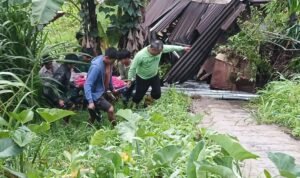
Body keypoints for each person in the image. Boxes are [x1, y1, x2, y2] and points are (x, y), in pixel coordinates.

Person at [127, 40, 191, 107]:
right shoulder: (140, 55)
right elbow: (132, 68)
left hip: (154, 76)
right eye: (158, 52)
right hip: (142, 78)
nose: (160, 53)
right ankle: (133, 106)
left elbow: (171, 48)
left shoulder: (159, 49)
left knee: (157, 94)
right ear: (153, 49)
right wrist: (129, 80)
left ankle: (147, 102)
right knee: (138, 96)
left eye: (161, 51)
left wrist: (183, 48)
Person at [84, 47, 118, 126]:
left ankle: (88, 129)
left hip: (102, 91)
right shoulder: (96, 67)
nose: (113, 63)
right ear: (106, 57)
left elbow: (109, 77)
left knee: (93, 116)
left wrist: (112, 88)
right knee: (110, 109)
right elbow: (87, 84)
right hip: (95, 95)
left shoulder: (109, 63)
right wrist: (90, 101)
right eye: (112, 61)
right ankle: (116, 128)